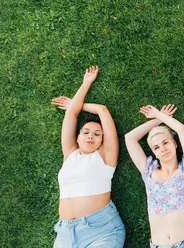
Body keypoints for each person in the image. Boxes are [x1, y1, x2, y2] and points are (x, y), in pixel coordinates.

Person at [50, 66, 125, 247]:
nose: (91, 136)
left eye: (98, 134)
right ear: (77, 136)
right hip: (65, 233)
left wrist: (77, 103)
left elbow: (102, 110)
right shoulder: (70, 154)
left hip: (101, 230)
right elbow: (71, 114)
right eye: (86, 132)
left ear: (103, 141)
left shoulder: (106, 157)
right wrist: (85, 83)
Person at [125, 104, 184, 248]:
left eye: (165, 143)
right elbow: (130, 138)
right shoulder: (148, 171)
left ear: (175, 144)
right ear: (154, 153)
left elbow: (181, 129)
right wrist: (157, 119)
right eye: (156, 147)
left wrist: (159, 114)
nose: (162, 149)